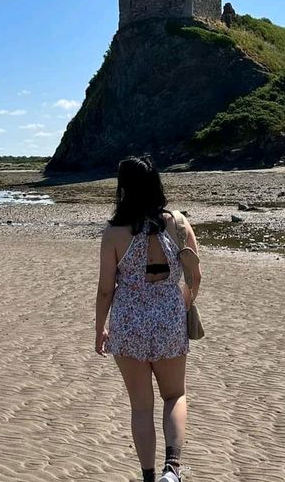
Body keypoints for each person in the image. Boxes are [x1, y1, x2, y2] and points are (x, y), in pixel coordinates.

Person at [95, 156, 201, 482]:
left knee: (141, 407)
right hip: (169, 318)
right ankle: (173, 468)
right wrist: (180, 304)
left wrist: (100, 328)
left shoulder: (114, 233)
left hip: (128, 322)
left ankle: (149, 477)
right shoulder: (178, 223)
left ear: (123, 188)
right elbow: (195, 276)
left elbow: (105, 290)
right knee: (174, 395)